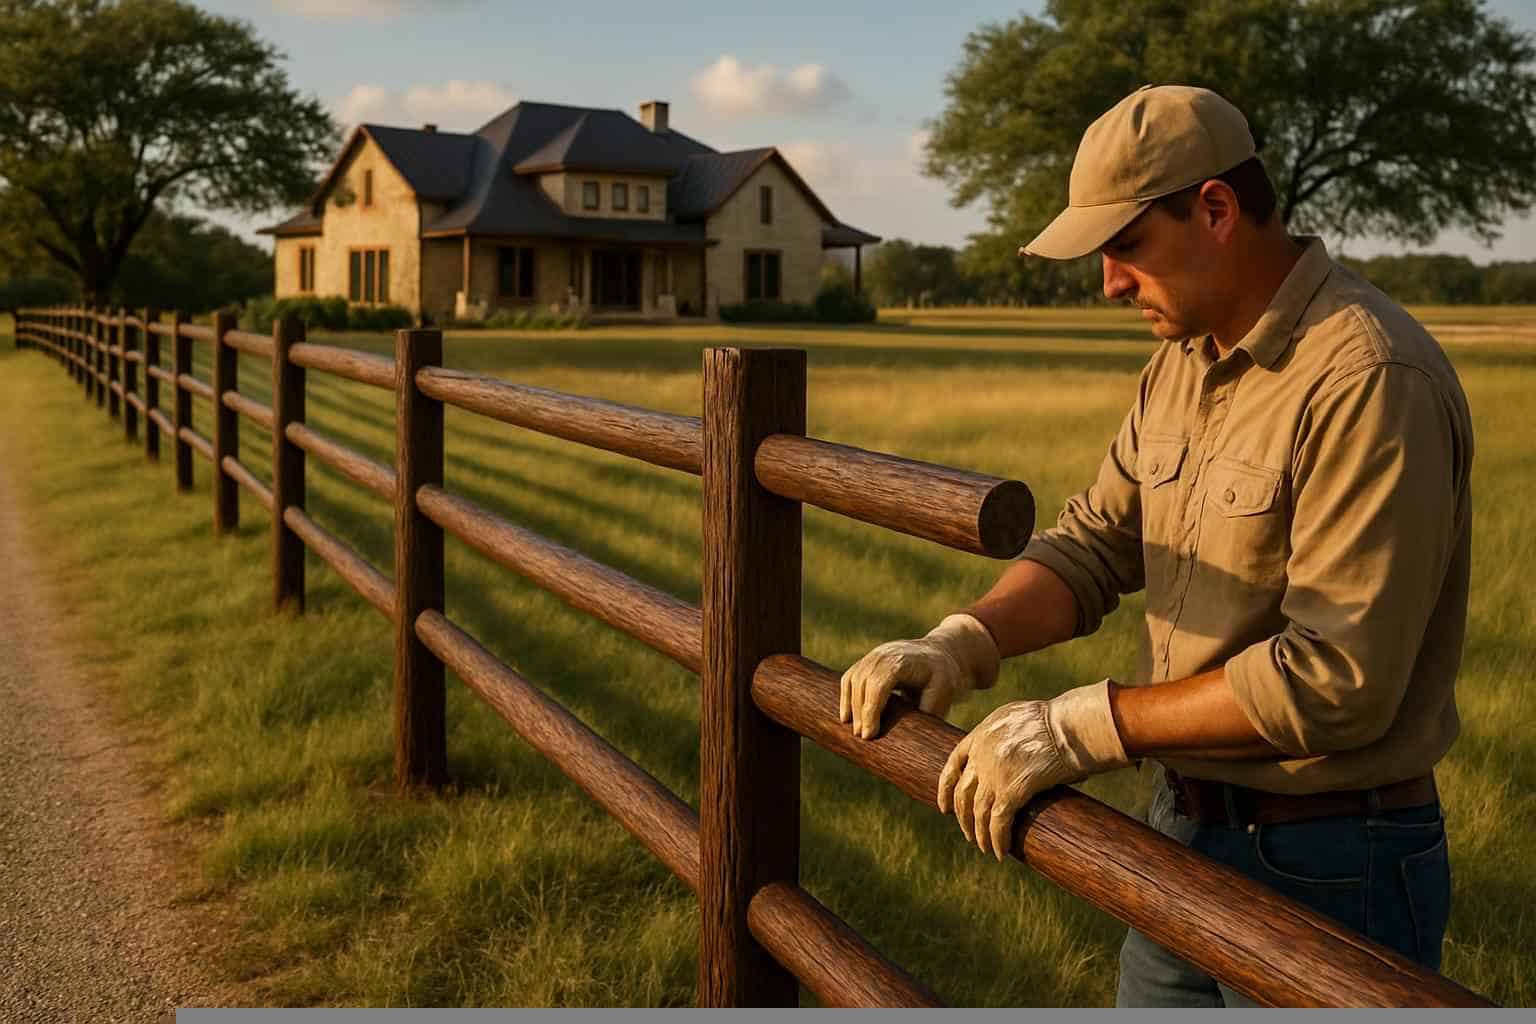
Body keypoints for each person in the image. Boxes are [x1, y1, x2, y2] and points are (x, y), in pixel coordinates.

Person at [837, 84, 1473, 1007]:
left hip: (1337, 861)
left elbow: (1337, 682)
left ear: (1215, 209)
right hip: (1178, 831)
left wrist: (1082, 726)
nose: (1109, 283)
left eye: (1127, 246)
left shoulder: (1370, 377)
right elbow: (1095, 543)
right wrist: (962, 639)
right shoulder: (1181, 363)